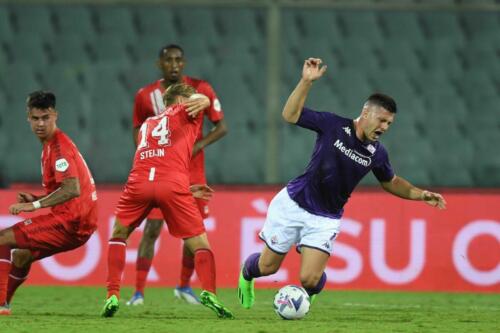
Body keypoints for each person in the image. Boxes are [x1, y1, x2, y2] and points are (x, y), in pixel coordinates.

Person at [238, 58, 446, 309]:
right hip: (293, 203)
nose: (384, 127)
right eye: (381, 120)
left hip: (325, 217)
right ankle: (246, 275)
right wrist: (306, 82)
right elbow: (289, 115)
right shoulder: (332, 125)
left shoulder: (377, 153)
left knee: (310, 279)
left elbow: (390, 182)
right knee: (267, 267)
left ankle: (310, 290)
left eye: (389, 123)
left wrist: (421, 194)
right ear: (366, 112)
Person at [101, 83, 233, 319]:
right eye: (189, 98)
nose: (193, 102)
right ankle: (210, 293)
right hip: (172, 183)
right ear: (182, 100)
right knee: (200, 244)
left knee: (118, 235)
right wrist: (201, 99)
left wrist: (186, 189)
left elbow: (158, 160)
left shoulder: (146, 125)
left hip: (139, 182)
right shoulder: (186, 110)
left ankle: (112, 293)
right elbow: (204, 101)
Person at [128, 44, 227, 306]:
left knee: (194, 231)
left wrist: (198, 145)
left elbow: (222, 126)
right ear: (159, 64)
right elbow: (138, 131)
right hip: (160, 172)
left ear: (184, 63)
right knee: (151, 229)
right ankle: (138, 293)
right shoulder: (145, 95)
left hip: (193, 172)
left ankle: (183, 286)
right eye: (168, 60)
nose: (173, 64)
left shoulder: (200, 89)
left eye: (178, 60)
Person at [0, 91, 98, 315]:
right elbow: (63, 188)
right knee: (22, 256)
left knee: (2, 239)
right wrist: (37, 198)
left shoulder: (58, 148)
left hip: (71, 221)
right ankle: (4, 302)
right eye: (35, 118)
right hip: (78, 220)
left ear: (55, 115)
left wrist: (34, 206)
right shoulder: (50, 145)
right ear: (28, 118)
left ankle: (0, 304)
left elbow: (72, 189)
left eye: (46, 117)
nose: (40, 124)